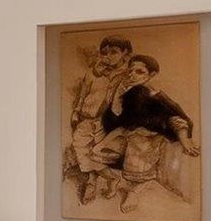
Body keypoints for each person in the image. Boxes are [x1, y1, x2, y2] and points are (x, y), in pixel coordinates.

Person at [95, 54, 200, 211]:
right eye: (131, 71)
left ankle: (133, 193)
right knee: (98, 154)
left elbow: (176, 115)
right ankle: (118, 182)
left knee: (139, 163)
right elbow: (120, 118)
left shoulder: (152, 94)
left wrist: (184, 137)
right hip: (128, 131)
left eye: (139, 72)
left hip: (149, 135)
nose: (132, 74)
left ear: (151, 75)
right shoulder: (127, 91)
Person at [65, 36, 131, 203]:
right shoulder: (93, 72)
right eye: (104, 53)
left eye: (114, 52)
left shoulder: (126, 77)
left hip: (106, 121)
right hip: (87, 117)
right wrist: (77, 111)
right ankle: (101, 178)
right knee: (80, 146)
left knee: (97, 152)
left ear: (126, 54)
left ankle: (94, 181)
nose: (108, 56)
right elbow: (83, 93)